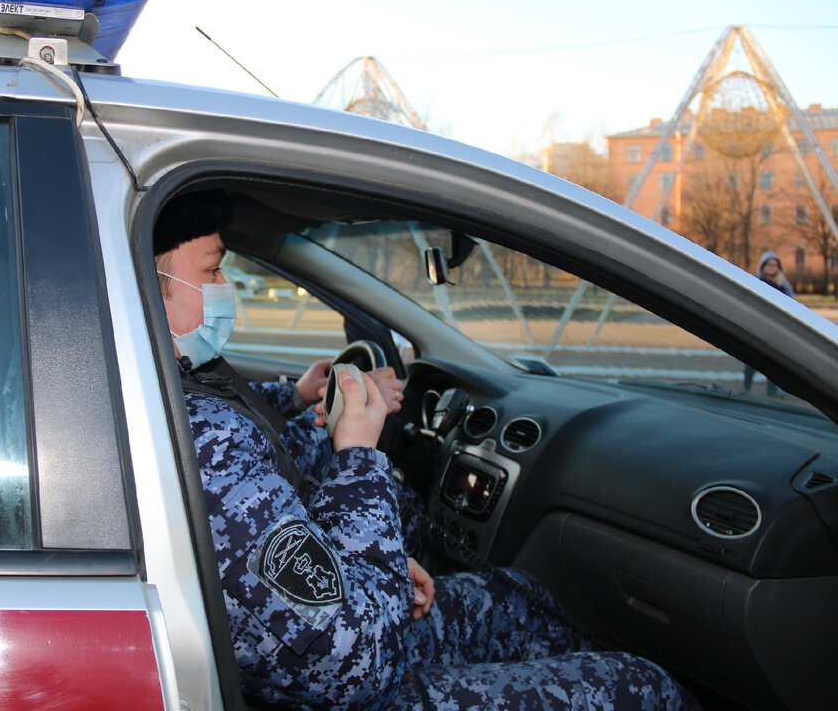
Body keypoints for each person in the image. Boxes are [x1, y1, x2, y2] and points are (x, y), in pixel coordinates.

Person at [155, 191, 698, 710]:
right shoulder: (204, 437)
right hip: (356, 680)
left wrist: (382, 563)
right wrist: (359, 454)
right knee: (644, 689)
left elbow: (256, 469)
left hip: (347, 633)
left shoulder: (172, 384)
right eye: (212, 270)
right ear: (154, 288)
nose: (225, 284)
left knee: (515, 597)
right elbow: (352, 663)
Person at [742, 251, 795, 397]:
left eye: (775, 265)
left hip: (776, 330)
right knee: (751, 360)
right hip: (757, 328)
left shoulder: (783, 285)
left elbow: (793, 304)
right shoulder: (754, 282)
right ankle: (745, 388)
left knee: (773, 362)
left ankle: (772, 391)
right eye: (770, 264)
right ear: (763, 266)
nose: (772, 267)